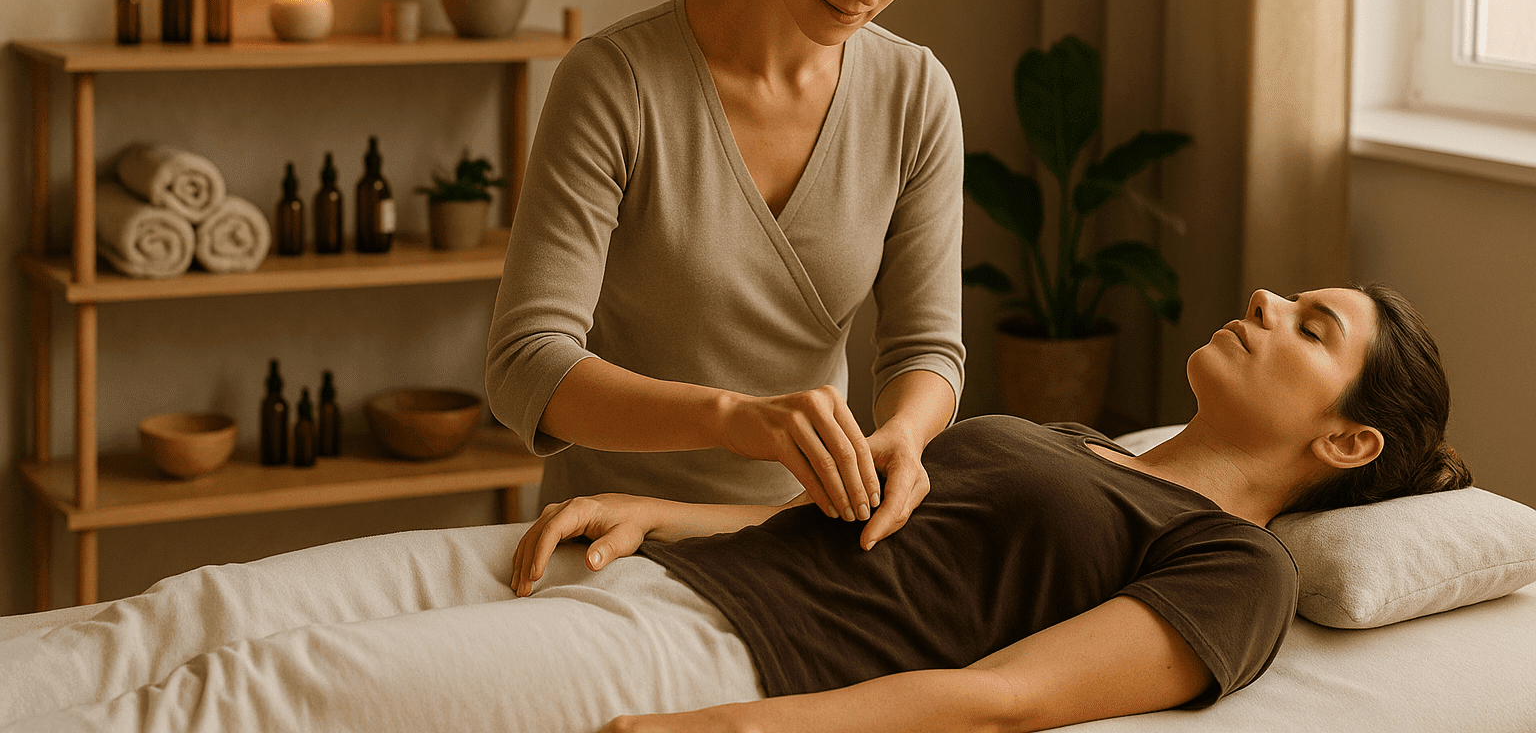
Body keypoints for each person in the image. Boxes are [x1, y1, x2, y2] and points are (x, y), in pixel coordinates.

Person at [0, 285, 1472, 733]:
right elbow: (875, 521)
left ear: (1346, 442)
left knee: (247, 699)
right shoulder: (1091, 438)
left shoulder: (1233, 568)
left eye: (1313, 320)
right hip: (662, 571)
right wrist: (658, 507)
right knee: (185, 609)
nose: (1266, 300)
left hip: (722, 662)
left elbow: (997, 695)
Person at [484, 0, 966, 548]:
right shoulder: (616, 83)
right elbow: (525, 365)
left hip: (805, 540)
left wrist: (907, 435)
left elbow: (925, 347)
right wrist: (733, 419)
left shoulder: (916, 95)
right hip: (611, 540)